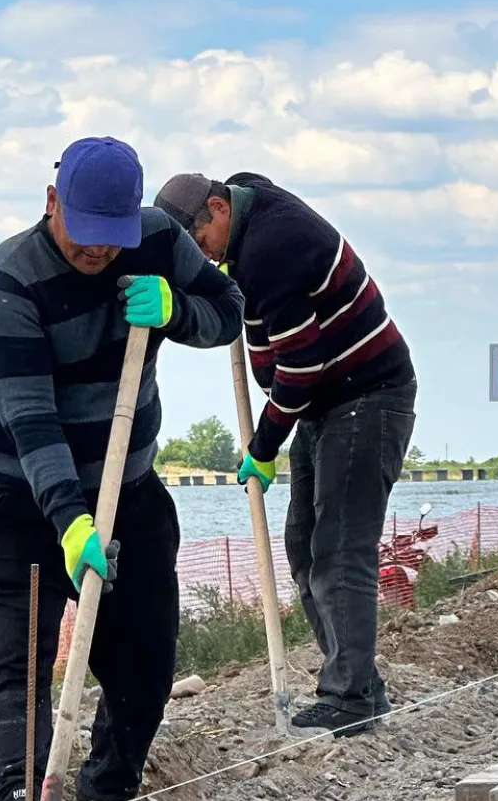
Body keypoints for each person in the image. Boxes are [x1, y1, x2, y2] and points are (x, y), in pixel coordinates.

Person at [0, 137, 243, 801]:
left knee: (144, 662)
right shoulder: (5, 284)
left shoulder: (155, 240)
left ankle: (107, 798)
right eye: (85, 236)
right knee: (20, 663)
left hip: (132, 490)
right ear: (53, 203)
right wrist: (71, 522)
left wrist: (177, 310)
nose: (99, 252)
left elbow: (229, 312)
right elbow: (34, 425)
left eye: (111, 238)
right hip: (24, 504)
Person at [154, 171, 416, 737]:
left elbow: (301, 368)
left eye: (200, 244)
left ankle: (348, 696)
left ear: (219, 209)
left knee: (340, 547)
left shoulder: (273, 246)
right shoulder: (249, 216)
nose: (205, 258)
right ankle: (359, 682)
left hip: (367, 396)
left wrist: (264, 444)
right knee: (304, 542)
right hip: (325, 402)